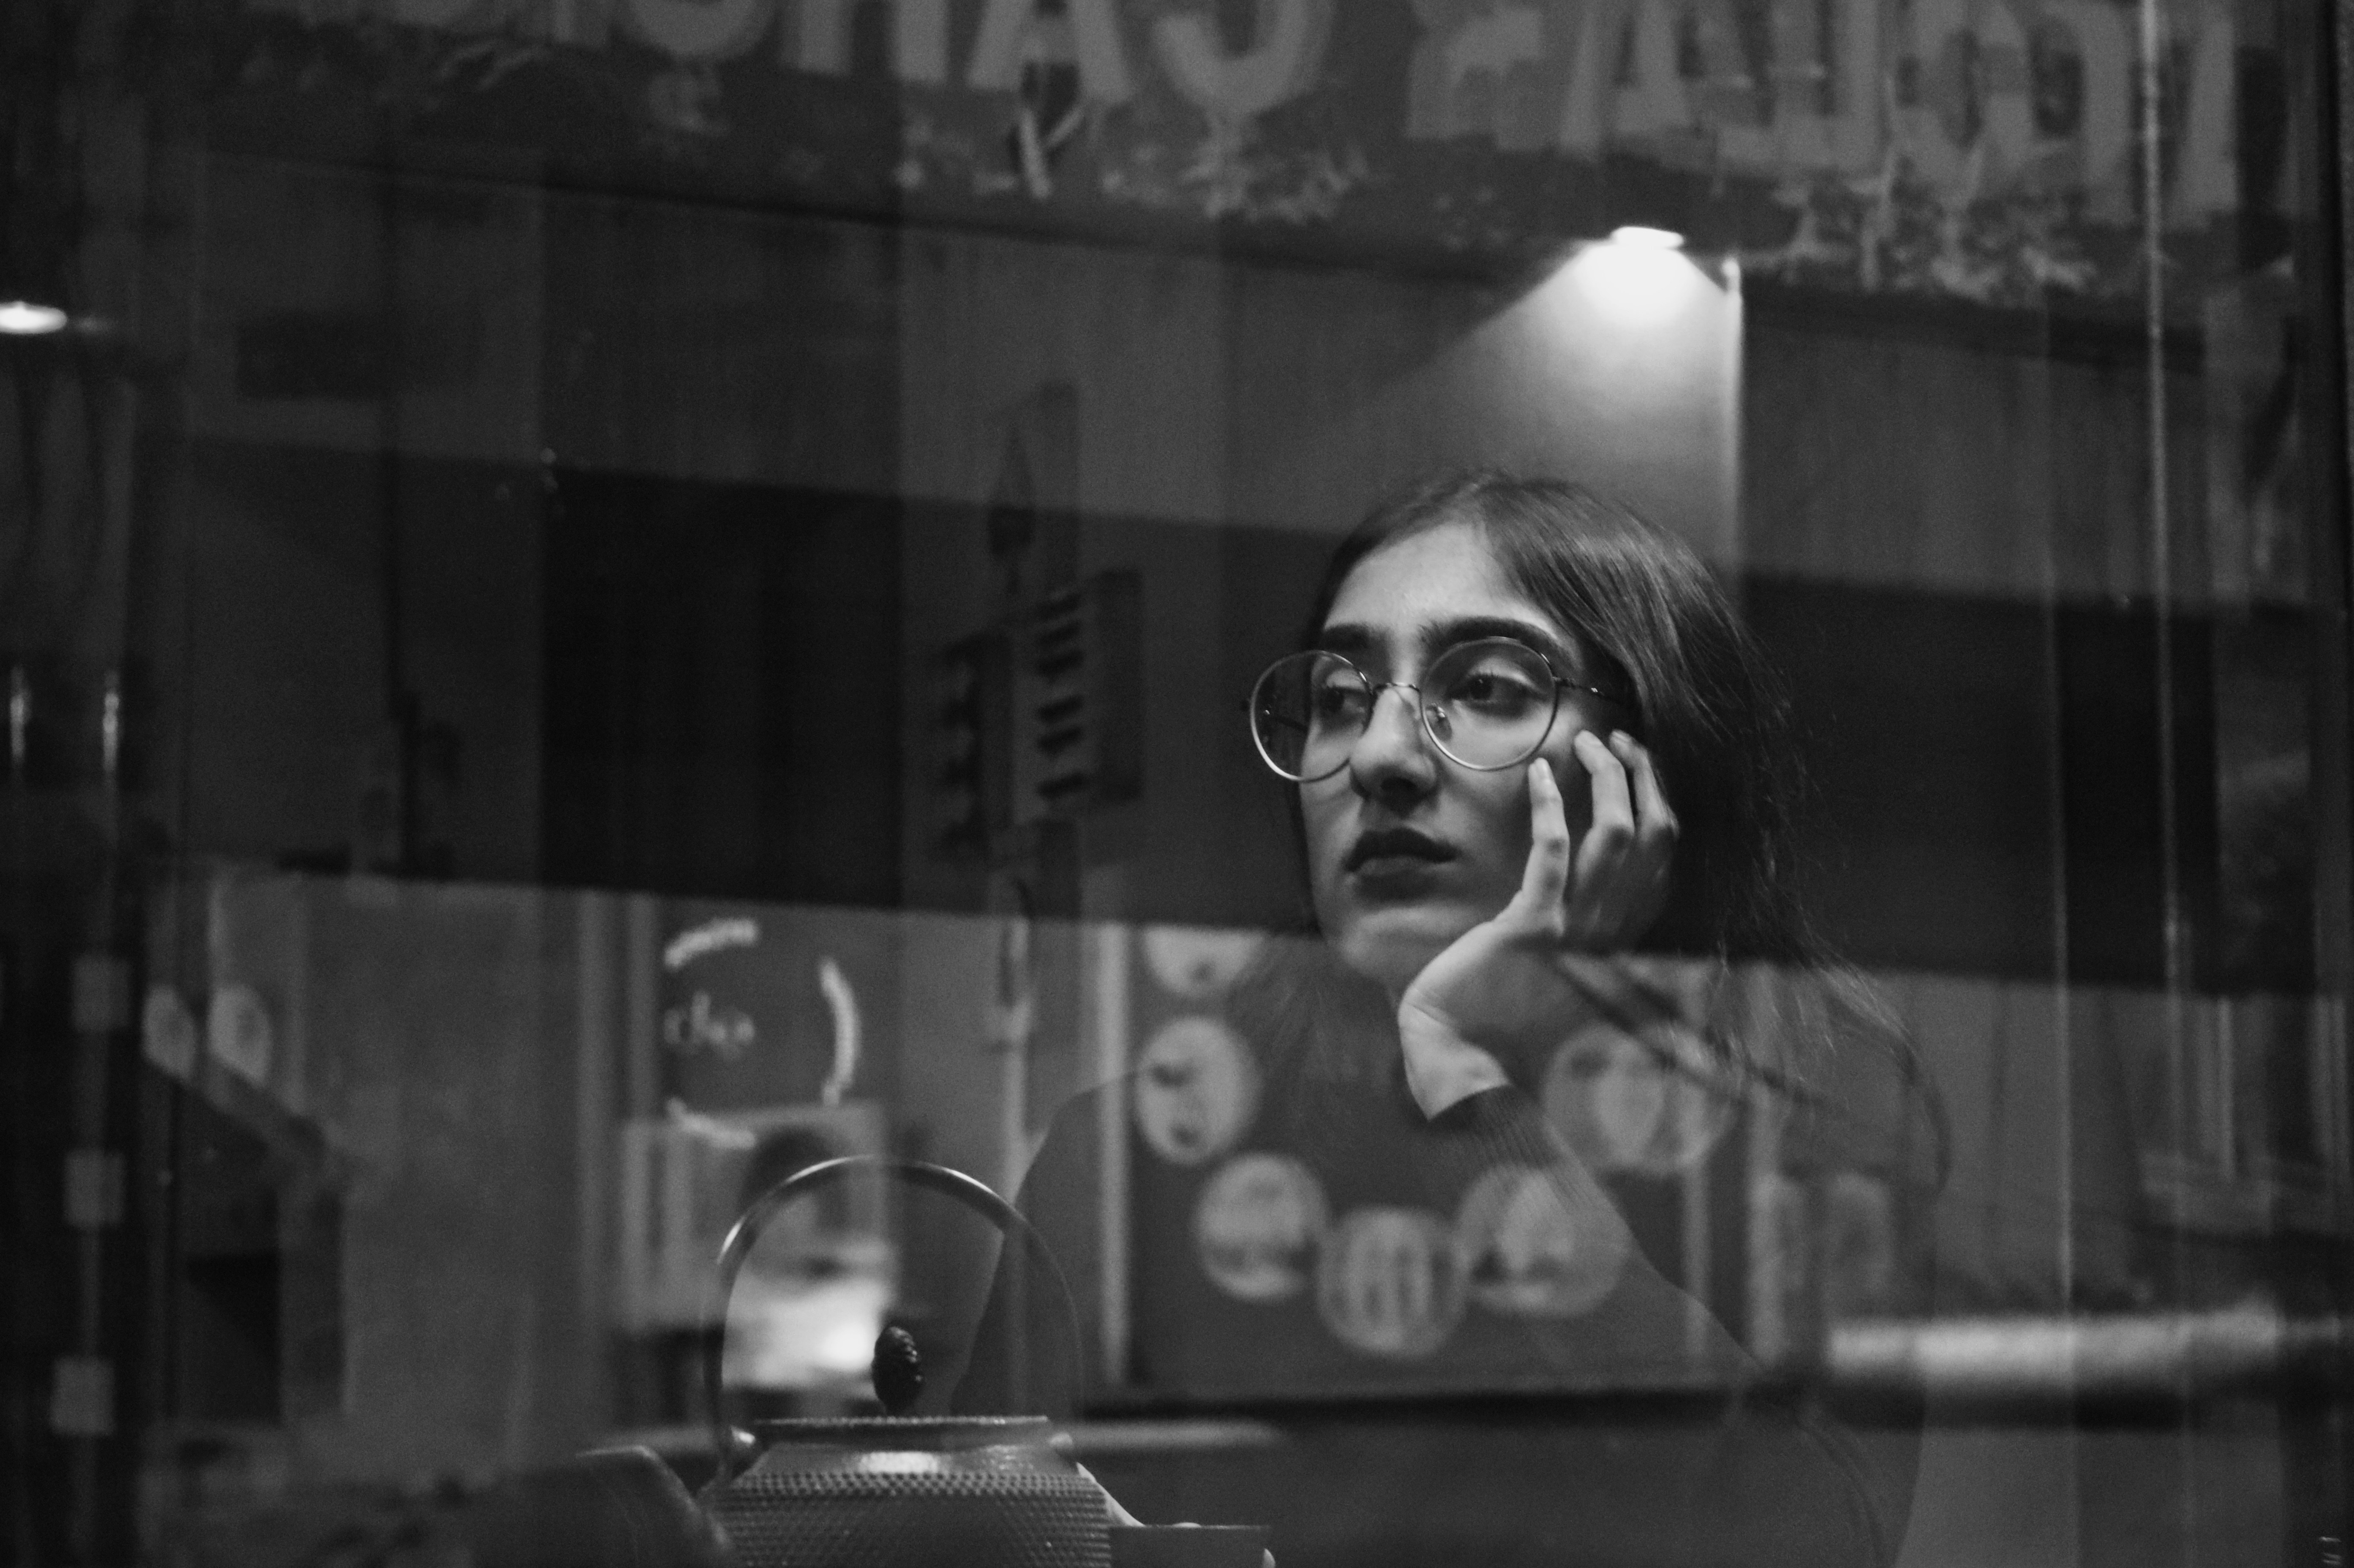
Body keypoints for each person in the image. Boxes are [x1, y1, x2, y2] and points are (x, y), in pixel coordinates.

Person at [957, 472, 1945, 1567]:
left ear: (1646, 769)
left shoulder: (1812, 1098)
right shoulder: (1131, 1160)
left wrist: (1474, 1090)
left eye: (1483, 686)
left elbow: (1810, 1546)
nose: (1381, 757)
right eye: (1341, 700)